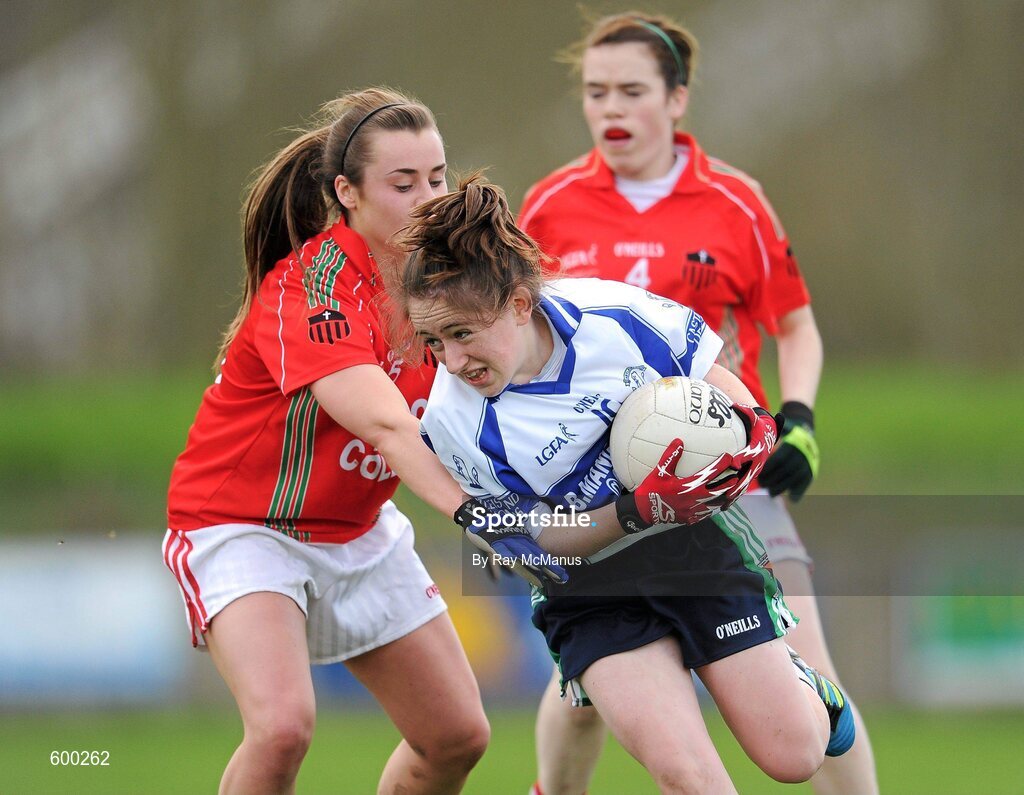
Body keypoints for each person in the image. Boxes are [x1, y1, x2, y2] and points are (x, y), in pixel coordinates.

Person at [389, 175, 855, 795]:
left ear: (521, 304)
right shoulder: (451, 420)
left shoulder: (614, 316)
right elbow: (533, 546)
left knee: (795, 757)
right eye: (433, 341)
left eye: (463, 334)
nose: (450, 362)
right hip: (588, 589)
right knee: (691, 778)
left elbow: (716, 381)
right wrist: (635, 511)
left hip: (693, 547)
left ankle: (807, 689)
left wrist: (753, 436)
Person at [517, 12, 878, 795]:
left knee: (809, 668)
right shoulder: (548, 208)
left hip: (729, 476)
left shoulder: (735, 204)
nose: (611, 108)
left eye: (632, 91)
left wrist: (799, 417)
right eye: (595, 91)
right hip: (598, 491)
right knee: (583, 693)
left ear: (677, 99)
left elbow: (796, 324)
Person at [163, 88, 499, 795]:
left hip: (359, 529)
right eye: (403, 183)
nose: (428, 198)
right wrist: (480, 515)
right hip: (242, 525)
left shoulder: (446, 284)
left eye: (437, 178)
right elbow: (382, 422)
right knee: (283, 727)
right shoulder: (312, 286)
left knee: (456, 736)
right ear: (347, 192)